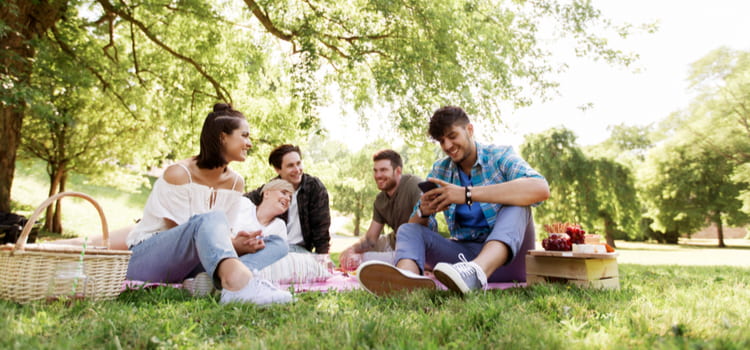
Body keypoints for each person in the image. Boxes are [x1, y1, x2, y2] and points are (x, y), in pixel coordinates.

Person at [357, 105, 550, 295]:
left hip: (510, 261)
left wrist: (467, 194)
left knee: (516, 204)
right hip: (463, 260)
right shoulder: (441, 170)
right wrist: (423, 211)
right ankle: (406, 281)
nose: (447, 146)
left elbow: (540, 188)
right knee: (408, 228)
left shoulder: (499, 156)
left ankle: (476, 272)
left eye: (452, 136)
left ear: (469, 130)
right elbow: (417, 229)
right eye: (441, 141)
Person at [125, 103, 293, 305]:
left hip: (196, 264)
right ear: (223, 136)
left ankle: (210, 282)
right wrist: (232, 244)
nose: (249, 143)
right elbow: (184, 236)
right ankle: (237, 283)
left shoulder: (235, 182)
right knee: (212, 218)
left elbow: (220, 235)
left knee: (277, 243)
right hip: (148, 259)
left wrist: (238, 242)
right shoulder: (178, 174)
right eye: (244, 135)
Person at [338, 149, 422, 270]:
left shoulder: (414, 185)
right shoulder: (380, 200)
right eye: (375, 171)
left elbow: (425, 221)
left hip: (415, 247)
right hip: (393, 241)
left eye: (383, 170)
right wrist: (351, 250)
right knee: (353, 255)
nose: (378, 175)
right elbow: (371, 239)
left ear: (398, 171)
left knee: (363, 260)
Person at [245, 144, 331, 254]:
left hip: (301, 249)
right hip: (272, 247)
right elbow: (244, 201)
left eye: (299, 163)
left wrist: (322, 257)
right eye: (290, 166)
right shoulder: (271, 188)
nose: (297, 170)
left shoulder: (314, 187)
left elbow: (321, 228)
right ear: (278, 169)